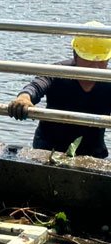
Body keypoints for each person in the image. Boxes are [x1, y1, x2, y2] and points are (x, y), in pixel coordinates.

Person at [7, 22, 111, 159]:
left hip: (93, 151)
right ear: (75, 55)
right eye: (88, 59)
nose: (96, 66)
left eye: (101, 60)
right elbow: (36, 85)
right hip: (49, 147)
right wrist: (24, 98)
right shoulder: (59, 71)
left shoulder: (108, 82)